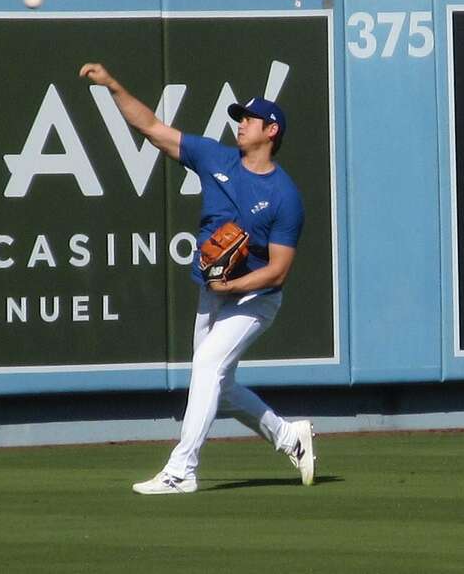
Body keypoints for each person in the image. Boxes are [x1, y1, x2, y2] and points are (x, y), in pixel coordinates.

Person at [79, 62, 316, 495]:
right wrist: (113, 85)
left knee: (207, 366)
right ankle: (287, 436)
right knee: (218, 385)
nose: (241, 124)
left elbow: (278, 272)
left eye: (249, 119)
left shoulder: (285, 197)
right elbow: (151, 127)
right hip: (214, 292)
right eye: (240, 118)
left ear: (272, 131)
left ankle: (182, 469)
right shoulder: (216, 157)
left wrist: (234, 286)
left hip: (256, 298)